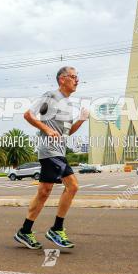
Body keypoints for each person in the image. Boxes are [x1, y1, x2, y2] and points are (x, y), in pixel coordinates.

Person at [14, 66, 88, 250]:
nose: (77, 80)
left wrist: (81, 119)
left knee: (44, 192)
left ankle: (25, 231)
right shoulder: (50, 96)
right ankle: (57, 229)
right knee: (72, 186)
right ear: (62, 79)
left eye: (77, 77)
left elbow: (67, 132)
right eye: (73, 77)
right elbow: (28, 115)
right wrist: (46, 129)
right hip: (50, 151)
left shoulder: (68, 104)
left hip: (58, 152)